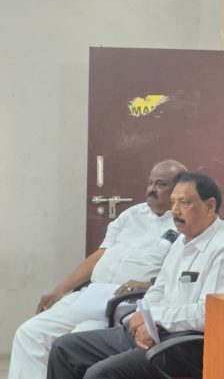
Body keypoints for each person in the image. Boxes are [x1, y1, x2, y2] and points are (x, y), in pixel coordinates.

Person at [47, 171, 224, 379]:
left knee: (100, 373)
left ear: (210, 206)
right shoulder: (182, 241)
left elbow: (208, 315)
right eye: (173, 202)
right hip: (160, 331)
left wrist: (155, 318)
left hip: (190, 344)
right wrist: (143, 320)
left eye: (184, 203)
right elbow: (159, 289)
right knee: (64, 348)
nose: (175, 211)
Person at [9, 159, 186, 379]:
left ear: (179, 189)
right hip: (92, 295)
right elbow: (100, 255)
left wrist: (147, 284)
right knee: (29, 333)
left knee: (72, 343)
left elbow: (178, 275)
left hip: (126, 305)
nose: (151, 189)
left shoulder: (183, 225)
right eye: (150, 183)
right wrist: (59, 290)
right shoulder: (132, 215)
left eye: (160, 184)